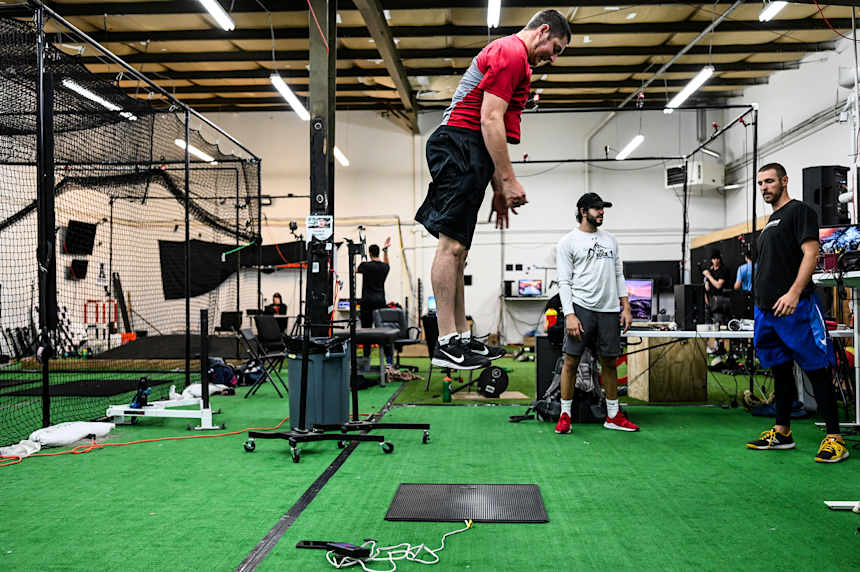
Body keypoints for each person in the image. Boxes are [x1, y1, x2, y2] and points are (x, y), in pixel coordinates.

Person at [415, 9, 571, 370]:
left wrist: (498, 187)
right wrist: (509, 179)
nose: (554, 56)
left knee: (460, 251)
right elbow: (488, 118)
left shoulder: (522, 64)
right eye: (557, 48)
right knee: (450, 246)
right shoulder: (511, 52)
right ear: (543, 31)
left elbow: (492, 128)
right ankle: (445, 341)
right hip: (458, 143)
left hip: (470, 149)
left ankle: (460, 338)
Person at [746, 162, 848, 463]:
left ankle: (835, 437)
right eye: (761, 183)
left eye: (769, 181)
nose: (764, 187)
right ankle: (782, 432)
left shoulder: (800, 211)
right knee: (779, 369)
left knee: (817, 368)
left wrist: (793, 292)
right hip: (767, 311)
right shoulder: (771, 222)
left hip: (796, 306)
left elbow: (811, 252)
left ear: (784, 181)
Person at [554, 192, 638, 435]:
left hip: (609, 310)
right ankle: (565, 415)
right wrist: (569, 314)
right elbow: (564, 282)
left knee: (610, 363)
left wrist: (626, 306)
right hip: (581, 308)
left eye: (602, 208)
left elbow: (619, 274)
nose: (601, 212)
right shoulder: (567, 242)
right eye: (596, 208)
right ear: (583, 211)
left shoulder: (611, 241)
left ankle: (613, 416)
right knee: (570, 362)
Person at [357, 237, 393, 363]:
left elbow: (356, 270)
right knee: (382, 330)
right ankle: (388, 360)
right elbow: (387, 264)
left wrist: (363, 259)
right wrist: (386, 251)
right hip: (380, 301)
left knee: (366, 330)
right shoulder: (384, 267)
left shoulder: (365, 266)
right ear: (378, 252)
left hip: (367, 302)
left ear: (370, 253)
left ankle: (366, 358)